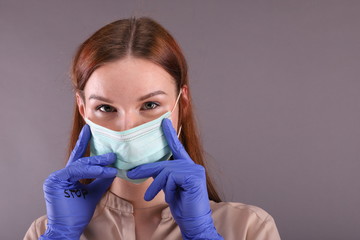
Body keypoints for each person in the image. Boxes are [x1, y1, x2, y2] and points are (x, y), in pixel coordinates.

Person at [24, 17, 281, 240]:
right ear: (83, 109)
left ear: (183, 103)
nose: (127, 127)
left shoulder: (248, 227)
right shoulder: (45, 231)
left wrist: (203, 235)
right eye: (106, 108)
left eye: (149, 104)